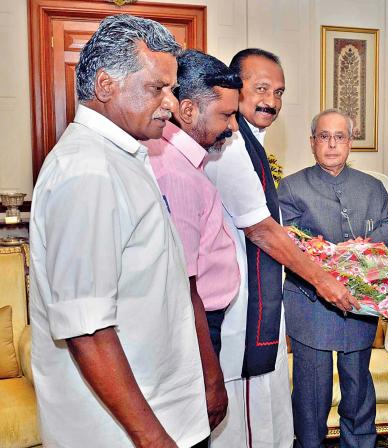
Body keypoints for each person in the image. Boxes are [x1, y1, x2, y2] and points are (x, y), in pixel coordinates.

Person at [28, 15, 208, 447]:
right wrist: (153, 439)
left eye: (171, 88)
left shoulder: (124, 154)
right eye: (156, 88)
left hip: (160, 410)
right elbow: (86, 330)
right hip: (120, 432)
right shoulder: (88, 170)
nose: (170, 102)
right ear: (106, 86)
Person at [203, 48, 357, 447]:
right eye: (260, 89)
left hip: (260, 295)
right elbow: (263, 231)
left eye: (279, 91)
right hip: (241, 307)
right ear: (235, 88)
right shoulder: (232, 144)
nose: (271, 101)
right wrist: (323, 280)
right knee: (245, 425)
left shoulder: (250, 141)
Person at [278, 108, 388, 448]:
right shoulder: (292, 186)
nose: (332, 144)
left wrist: (367, 243)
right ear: (312, 143)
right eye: (324, 137)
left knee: (358, 391)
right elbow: (291, 243)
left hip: (358, 305)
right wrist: (339, 255)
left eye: (339, 137)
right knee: (310, 396)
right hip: (310, 306)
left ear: (350, 143)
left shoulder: (371, 187)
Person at [143, 50, 243, 440]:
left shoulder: (178, 160)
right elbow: (184, 287)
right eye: (225, 115)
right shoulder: (175, 171)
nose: (233, 127)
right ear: (187, 110)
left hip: (195, 327)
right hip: (192, 332)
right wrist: (211, 377)